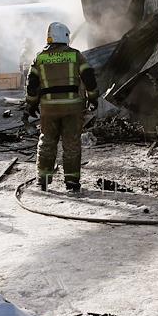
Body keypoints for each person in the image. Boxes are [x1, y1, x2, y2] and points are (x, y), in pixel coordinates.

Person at [24, 21, 100, 193]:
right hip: (72, 107)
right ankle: (72, 182)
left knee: (47, 141)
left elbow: (32, 84)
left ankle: (43, 179)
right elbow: (89, 77)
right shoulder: (75, 55)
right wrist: (93, 98)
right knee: (71, 144)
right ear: (65, 36)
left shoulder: (40, 57)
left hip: (49, 108)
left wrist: (31, 104)